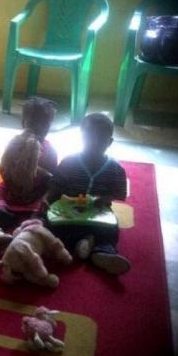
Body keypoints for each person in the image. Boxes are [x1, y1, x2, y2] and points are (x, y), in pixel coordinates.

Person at [46, 113, 131, 275]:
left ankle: (102, 252)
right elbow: (56, 183)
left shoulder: (115, 169)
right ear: (81, 137)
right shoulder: (69, 162)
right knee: (52, 224)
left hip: (98, 214)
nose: (94, 143)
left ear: (110, 142)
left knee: (111, 229)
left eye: (101, 139)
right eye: (89, 137)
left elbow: (120, 193)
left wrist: (105, 198)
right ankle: (84, 242)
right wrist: (47, 198)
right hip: (68, 213)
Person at [0, 97, 57, 247]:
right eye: (33, 123)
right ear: (24, 123)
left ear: (49, 126)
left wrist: (39, 183)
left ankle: (24, 230)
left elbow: (52, 180)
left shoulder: (50, 151)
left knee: (44, 209)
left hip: (34, 194)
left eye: (44, 124)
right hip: (11, 190)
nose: (39, 128)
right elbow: (4, 168)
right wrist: (11, 182)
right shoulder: (15, 144)